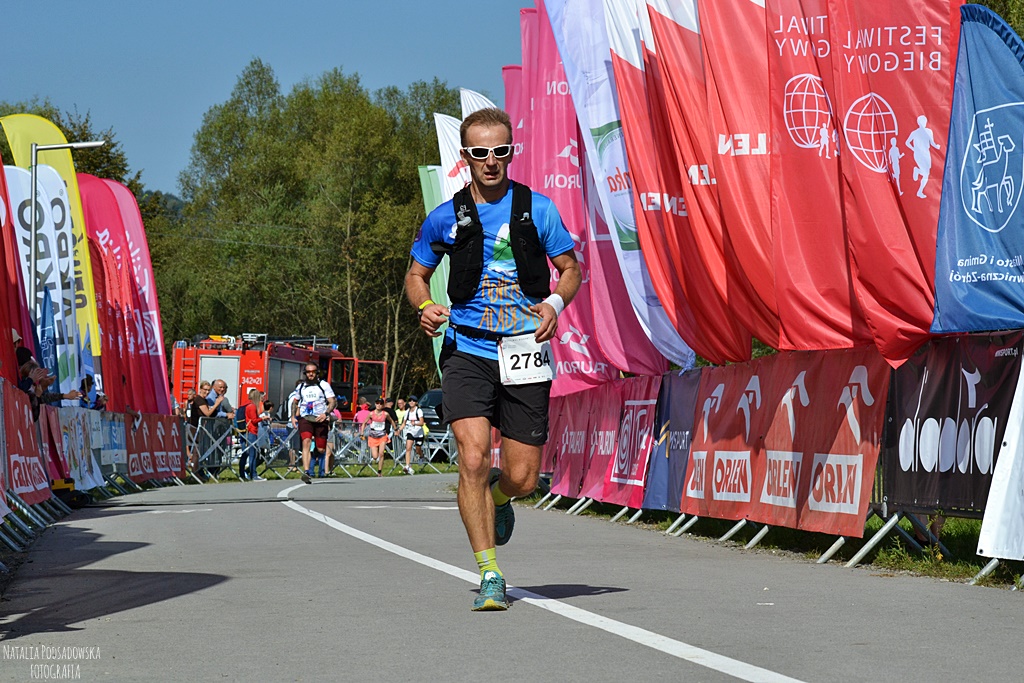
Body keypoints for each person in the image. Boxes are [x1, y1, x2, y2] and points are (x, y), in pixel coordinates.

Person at [405, 107, 581, 611]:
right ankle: (489, 573)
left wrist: (554, 303)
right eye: (480, 152)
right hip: (467, 349)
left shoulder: (538, 209)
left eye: (500, 151)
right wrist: (424, 306)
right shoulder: (446, 217)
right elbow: (415, 276)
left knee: (522, 477)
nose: (491, 161)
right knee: (473, 458)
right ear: (466, 156)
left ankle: (501, 500)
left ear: (511, 153)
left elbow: (570, 269)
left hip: (523, 350)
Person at [290, 363, 336, 484]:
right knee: (306, 441)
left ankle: (315, 453)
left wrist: (326, 414)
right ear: (305, 373)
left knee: (321, 449)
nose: (311, 374)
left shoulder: (323, 385)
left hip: (320, 418)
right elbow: (295, 402)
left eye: (313, 372)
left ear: (317, 373)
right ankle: (306, 472)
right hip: (305, 417)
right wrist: (293, 416)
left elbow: (332, 402)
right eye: (308, 372)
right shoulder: (301, 387)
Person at [188, 381, 224, 470]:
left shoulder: (204, 400)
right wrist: (216, 403)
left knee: (200, 451)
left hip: (201, 428)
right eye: (205, 389)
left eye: (209, 390)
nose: (207, 392)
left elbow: (211, 414)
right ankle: (195, 471)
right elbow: (207, 413)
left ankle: (199, 470)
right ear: (200, 389)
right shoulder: (199, 399)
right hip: (195, 428)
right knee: (197, 451)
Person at [361, 398, 397, 476]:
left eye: (381, 403)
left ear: (383, 405)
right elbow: (364, 423)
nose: (379, 405)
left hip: (382, 435)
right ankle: (377, 460)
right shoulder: (371, 414)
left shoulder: (385, 414)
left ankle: (379, 471)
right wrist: (362, 433)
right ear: (375, 404)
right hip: (373, 436)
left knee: (381, 453)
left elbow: (391, 420)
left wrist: (395, 429)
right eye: (377, 403)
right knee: (375, 456)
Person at [239, 388, 267, 481]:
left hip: (244, 431)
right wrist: (263, 418)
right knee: (252, 453)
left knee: (245, 453)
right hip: (251, 431)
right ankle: (253, 474)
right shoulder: (252, 406)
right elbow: (254, 420)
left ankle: (242, 474)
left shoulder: (244, 405)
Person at [401, 396, 425, 475]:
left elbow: (422, 423)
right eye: (410, 400)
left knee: (418, 449)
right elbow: (404, 423)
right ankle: (407, 466)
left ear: (416, 403)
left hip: (418, 433)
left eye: (413, 401)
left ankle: (421, 456)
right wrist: (398, 430)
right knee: (408, 448)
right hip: (410, 432)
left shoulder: (419, 411)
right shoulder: (407, 412)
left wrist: (415, 423)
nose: (411, 402)